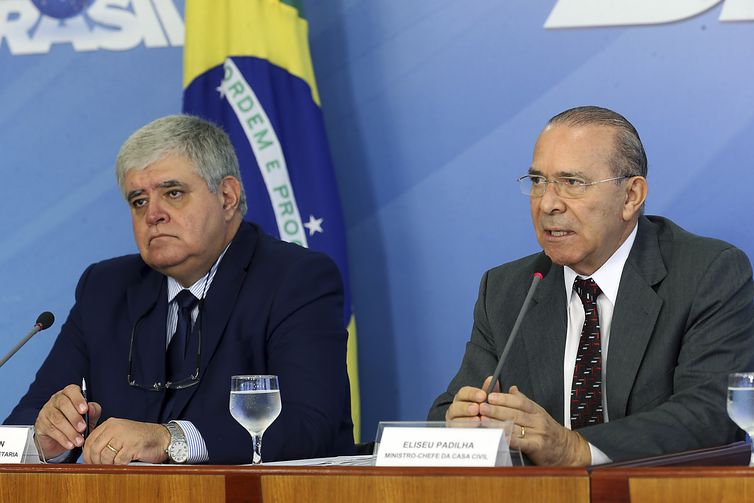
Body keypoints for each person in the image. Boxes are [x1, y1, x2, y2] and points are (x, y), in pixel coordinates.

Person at [5, 115, 355, 464]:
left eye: (173, 193)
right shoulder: (105, 288)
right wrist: (46, 440)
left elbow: (311, 426)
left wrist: (171, 439)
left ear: (227, 196)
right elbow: (24, 422)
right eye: (138, 201)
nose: (153, 214)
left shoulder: (295, 279)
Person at [428, 106, 754, 466]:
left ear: (631, 196)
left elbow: (710, 413)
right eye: (537, 181)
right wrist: (460, 422)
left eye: (572, 183)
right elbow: (454, 405)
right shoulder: (508, 289)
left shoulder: (706, 273)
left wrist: (574, 448)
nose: (548, 203)